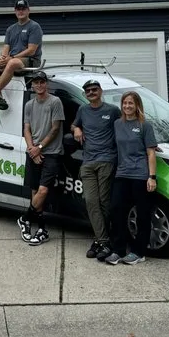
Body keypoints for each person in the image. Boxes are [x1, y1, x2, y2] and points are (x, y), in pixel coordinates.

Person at [105, 90, 158, 265]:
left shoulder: (145, 125)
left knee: (142, 214)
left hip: (140, 175)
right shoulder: (117, 124)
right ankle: (118, 250)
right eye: (125, 103)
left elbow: (151, 153)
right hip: (122, 173)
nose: (127, 106)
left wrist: (152, 177)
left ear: (137, 106)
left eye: (131, 103)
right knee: (116, 210)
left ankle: (138, 252)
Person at [71, 79, 120, 261]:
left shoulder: (112, 111)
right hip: (88, 162)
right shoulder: (83, 110)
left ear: (101, 91)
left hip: (107, 160)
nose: (91, 92)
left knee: (104, 202)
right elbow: (73, 124)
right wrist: (76, 129)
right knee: (91, 200)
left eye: (94, 89)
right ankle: (103, 241)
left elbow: (125, 128)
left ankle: (102, 241)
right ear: (85, 95)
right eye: (88, 91)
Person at [16, 71, 64, 245]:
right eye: (36, 82)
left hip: (51, 152)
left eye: (42, 82)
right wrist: (31, 149)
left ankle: (25, 218)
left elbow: (55, 128)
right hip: (33, 151)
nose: (39, 85)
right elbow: (26, 128)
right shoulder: (29, 105)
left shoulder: (55, 102)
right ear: (33, 85)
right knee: (36, 192)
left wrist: (40, 148)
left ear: (46, 84)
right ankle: (42, 229)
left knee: (43, 191)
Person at [0, 0, 43, 110]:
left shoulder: (34, 27)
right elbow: (6, 48)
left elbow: (31, 50)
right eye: (18, 9)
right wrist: (2, 58)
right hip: (12, 59)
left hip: (30, 60)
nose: (21, 11)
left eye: (23, 9)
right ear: (15, 11)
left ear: (28, 10)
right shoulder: (11, 29)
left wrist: (11, 58)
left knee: (12, 62)